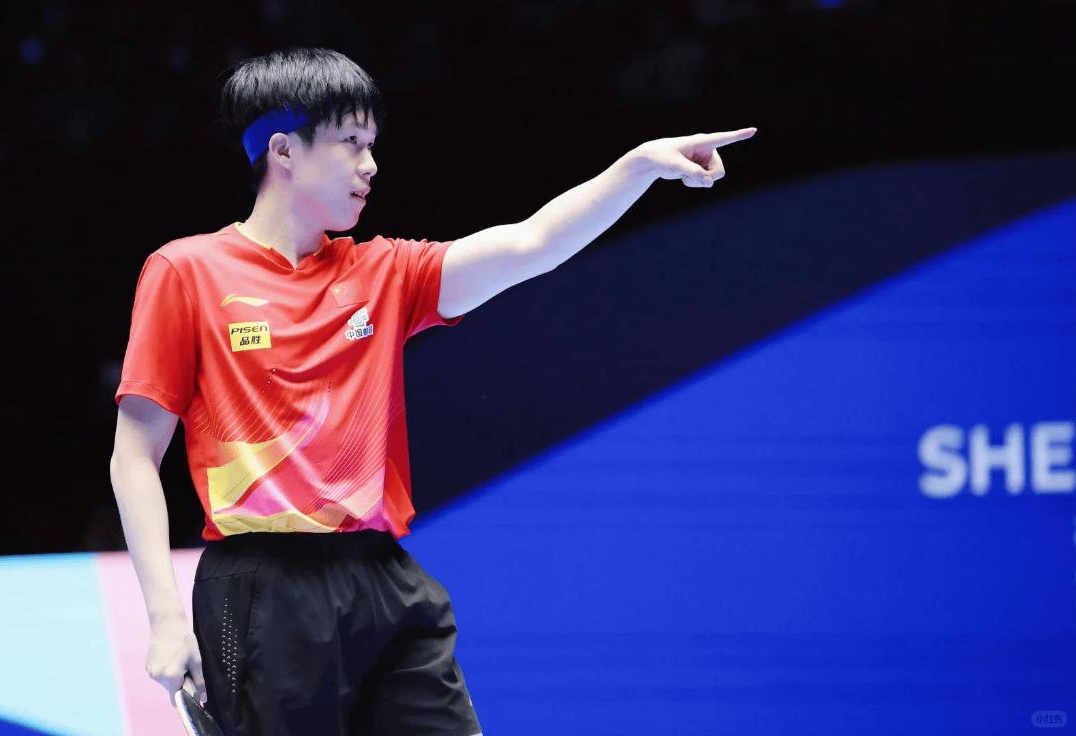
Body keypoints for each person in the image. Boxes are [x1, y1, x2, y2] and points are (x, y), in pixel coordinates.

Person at [108, 45, 756, 735]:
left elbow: (532, 244)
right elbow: (135, 456)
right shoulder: (187, 272)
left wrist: (640, 167)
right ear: (284, 150)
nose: (371, 165)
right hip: (264, 589)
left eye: (373, 145)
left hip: (382, 579)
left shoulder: (386, 272)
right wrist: (166, 618)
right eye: (351, 142)